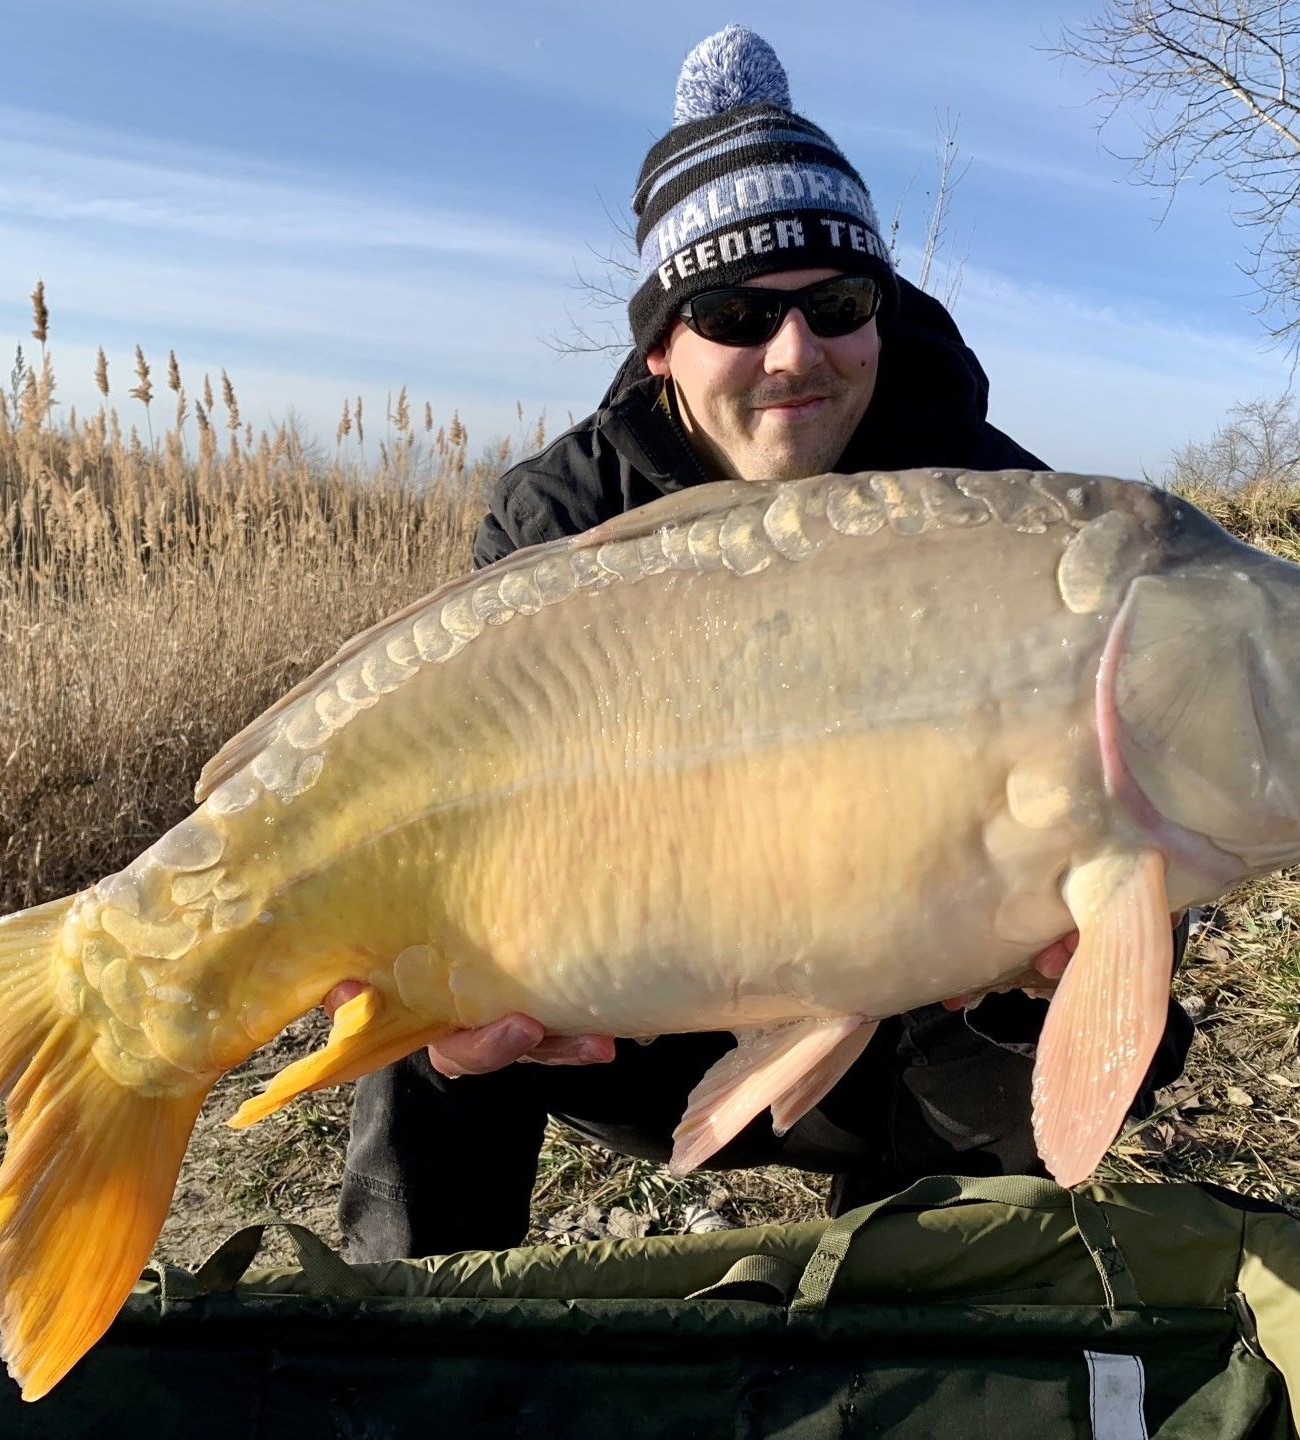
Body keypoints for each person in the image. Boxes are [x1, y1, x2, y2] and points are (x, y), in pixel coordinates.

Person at [334, 25, 1194, 1262]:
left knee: (1112, 986)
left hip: (904, 1020)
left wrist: (1073, 951)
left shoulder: (1010, 517)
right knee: (425, 978)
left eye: (838, 306)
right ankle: (402, 1329)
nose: (796, 356)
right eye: (736, 313)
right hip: (629, 1014)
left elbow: (1140, 777)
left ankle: (915, 1295)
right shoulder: (561, 517)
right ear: (660, 348)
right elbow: (454, 793)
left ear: (881, 318)